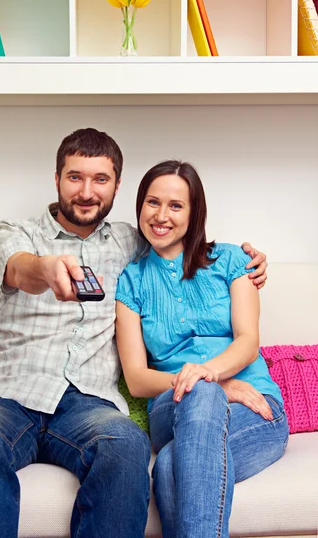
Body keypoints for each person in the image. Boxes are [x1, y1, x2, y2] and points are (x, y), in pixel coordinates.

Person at [0, 129, 268, 538]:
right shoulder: (15, 232)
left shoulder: (132, 243)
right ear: (57, 178)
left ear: (116, 187)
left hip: (87, 404)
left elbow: (185, 245)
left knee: (126, 445)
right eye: (75, 177)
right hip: (9, 394)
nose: (86, 191)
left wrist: (249, 260)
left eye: (100, 179)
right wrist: (46, 269)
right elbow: (19, 267)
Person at [115, 160, 289, 538]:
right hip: (170, 407)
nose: (161, 215)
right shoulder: (131, 280)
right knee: (202, 396)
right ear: (139, 207)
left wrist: (206, 373)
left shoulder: (231, 261)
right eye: (152, 202)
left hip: (255, 408)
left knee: (168, 467)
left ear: (194, 214)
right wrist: (210, 385)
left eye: (176, 206)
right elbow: (138, 378)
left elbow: (247, 342)